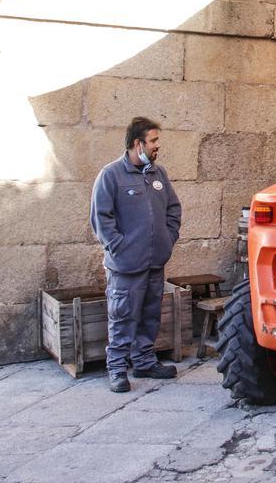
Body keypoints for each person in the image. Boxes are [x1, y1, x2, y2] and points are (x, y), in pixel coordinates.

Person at [90, 116, 182, 393]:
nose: (157, 146)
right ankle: (117, 369)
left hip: (155, 263)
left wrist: (168, 239)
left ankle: (144, 361)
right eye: (153, 141)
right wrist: (119, 247)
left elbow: (173, 210)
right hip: (126, 267)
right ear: (136, 143)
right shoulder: (111, 175)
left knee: (150, 315)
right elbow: (100, 219)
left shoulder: (158, 174)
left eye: (157, 141)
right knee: (122, 317)